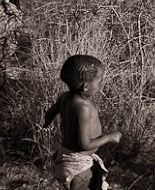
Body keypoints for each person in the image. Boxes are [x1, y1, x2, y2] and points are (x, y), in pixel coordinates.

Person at [43, 55, 121, 190]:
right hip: (79, 165)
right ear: (86, 86)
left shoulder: (65, 97)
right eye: (99, 81)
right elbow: (85, 144)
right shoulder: (83, 108)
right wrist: (109, 138)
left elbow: (49, 114)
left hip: (66, 156)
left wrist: (46, 125)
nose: (101, 85)